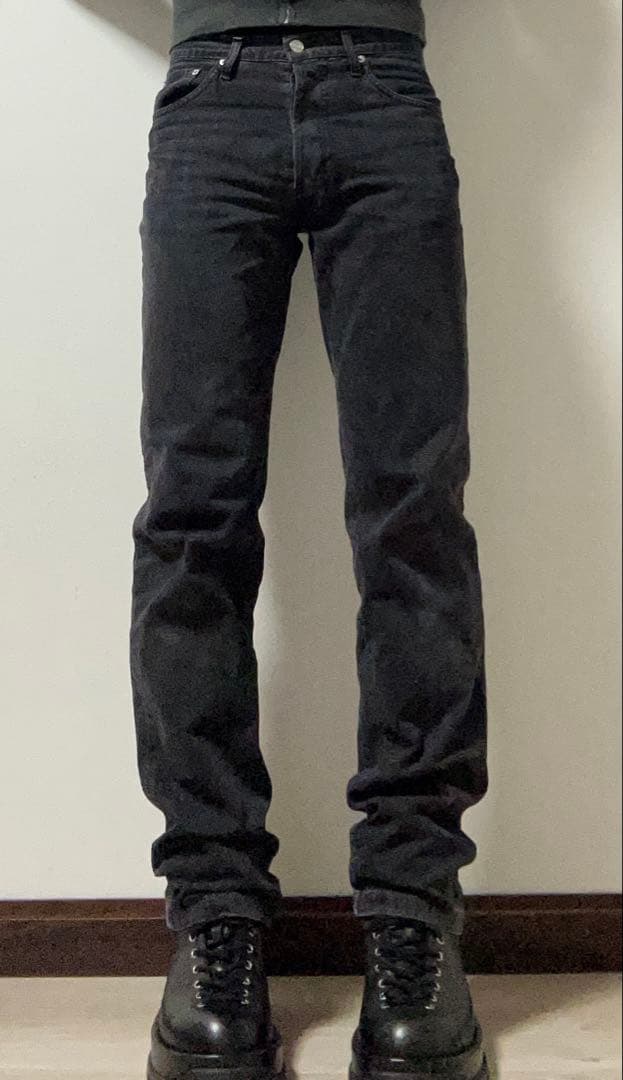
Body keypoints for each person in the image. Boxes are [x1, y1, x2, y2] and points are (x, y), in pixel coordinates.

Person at [130, 3, 490, 1078]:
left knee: (413, 515)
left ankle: (412, 911)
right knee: (192, 518)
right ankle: (213, 913)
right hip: (210, 94)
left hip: (385, 89)